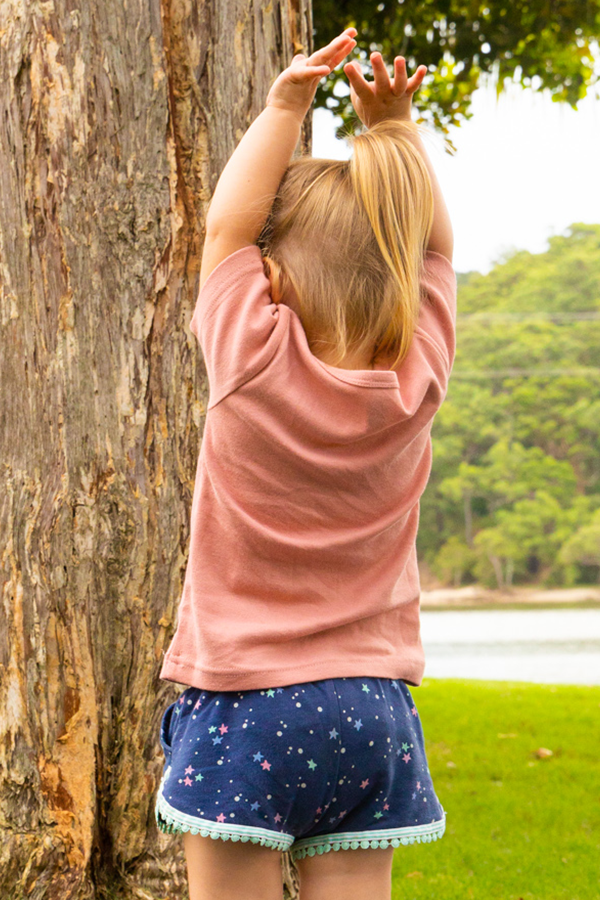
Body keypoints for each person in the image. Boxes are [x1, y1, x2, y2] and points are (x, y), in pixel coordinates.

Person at [155, 26, 456, 900]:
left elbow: (225, 226)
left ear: (272, 283)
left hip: (248, 703)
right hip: (374, 711)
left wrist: (288, 103)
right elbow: (434, 250)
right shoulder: (416, 383)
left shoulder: (251, 358)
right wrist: (398, 131)